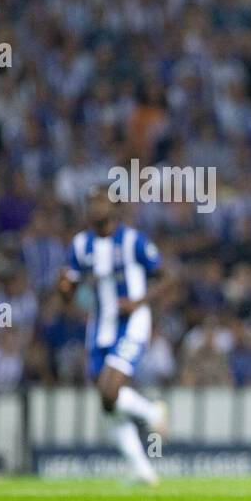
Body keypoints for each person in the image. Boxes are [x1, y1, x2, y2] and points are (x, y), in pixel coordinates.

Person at [58, 187, 171, 484]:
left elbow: (168, 277)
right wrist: (64, 289)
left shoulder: (133, 240)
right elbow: (68, 289)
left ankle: (150, 411)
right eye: (89, 202)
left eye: (99, 201)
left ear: (114, 206)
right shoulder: (80, 245)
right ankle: (142, 470)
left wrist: (138, 302)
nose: (94, 207)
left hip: (132, 322)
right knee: (107, 402)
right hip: (98, 327)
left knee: (110, 390)